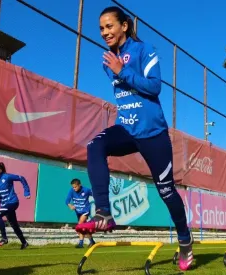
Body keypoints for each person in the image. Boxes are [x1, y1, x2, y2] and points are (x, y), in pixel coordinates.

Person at [75, 6, 194, 271]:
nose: (105, 32)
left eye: (109, 26)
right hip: (127, 128)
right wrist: (116, 68)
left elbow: (154, 87)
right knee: (95, 145)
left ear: (124, 26)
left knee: (166, 191)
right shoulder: (107, 60)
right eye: (101, 28)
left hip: (153, 133)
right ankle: (104, 211)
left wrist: (123, 71)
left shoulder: (144, 50)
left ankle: (185, 240)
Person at [0, 162, 30, 250]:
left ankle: (4, 238)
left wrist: (26, 191)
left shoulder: (7, 177)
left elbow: (21, 178)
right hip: (4, 205)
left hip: (13, 202)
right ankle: (24, 242)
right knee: (14, 225)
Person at [65, 178, 95, 248]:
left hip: (85, 211)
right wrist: (70, 206)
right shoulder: (71, 191)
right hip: (78, 212)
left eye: (75, 187)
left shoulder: (86, 190)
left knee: (79, 225)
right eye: (73, 187)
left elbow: (95, 195)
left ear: (79, 185)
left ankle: (81, 244)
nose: (74, 188)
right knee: (84, 228)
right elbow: (67, 201)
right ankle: (92, 241)